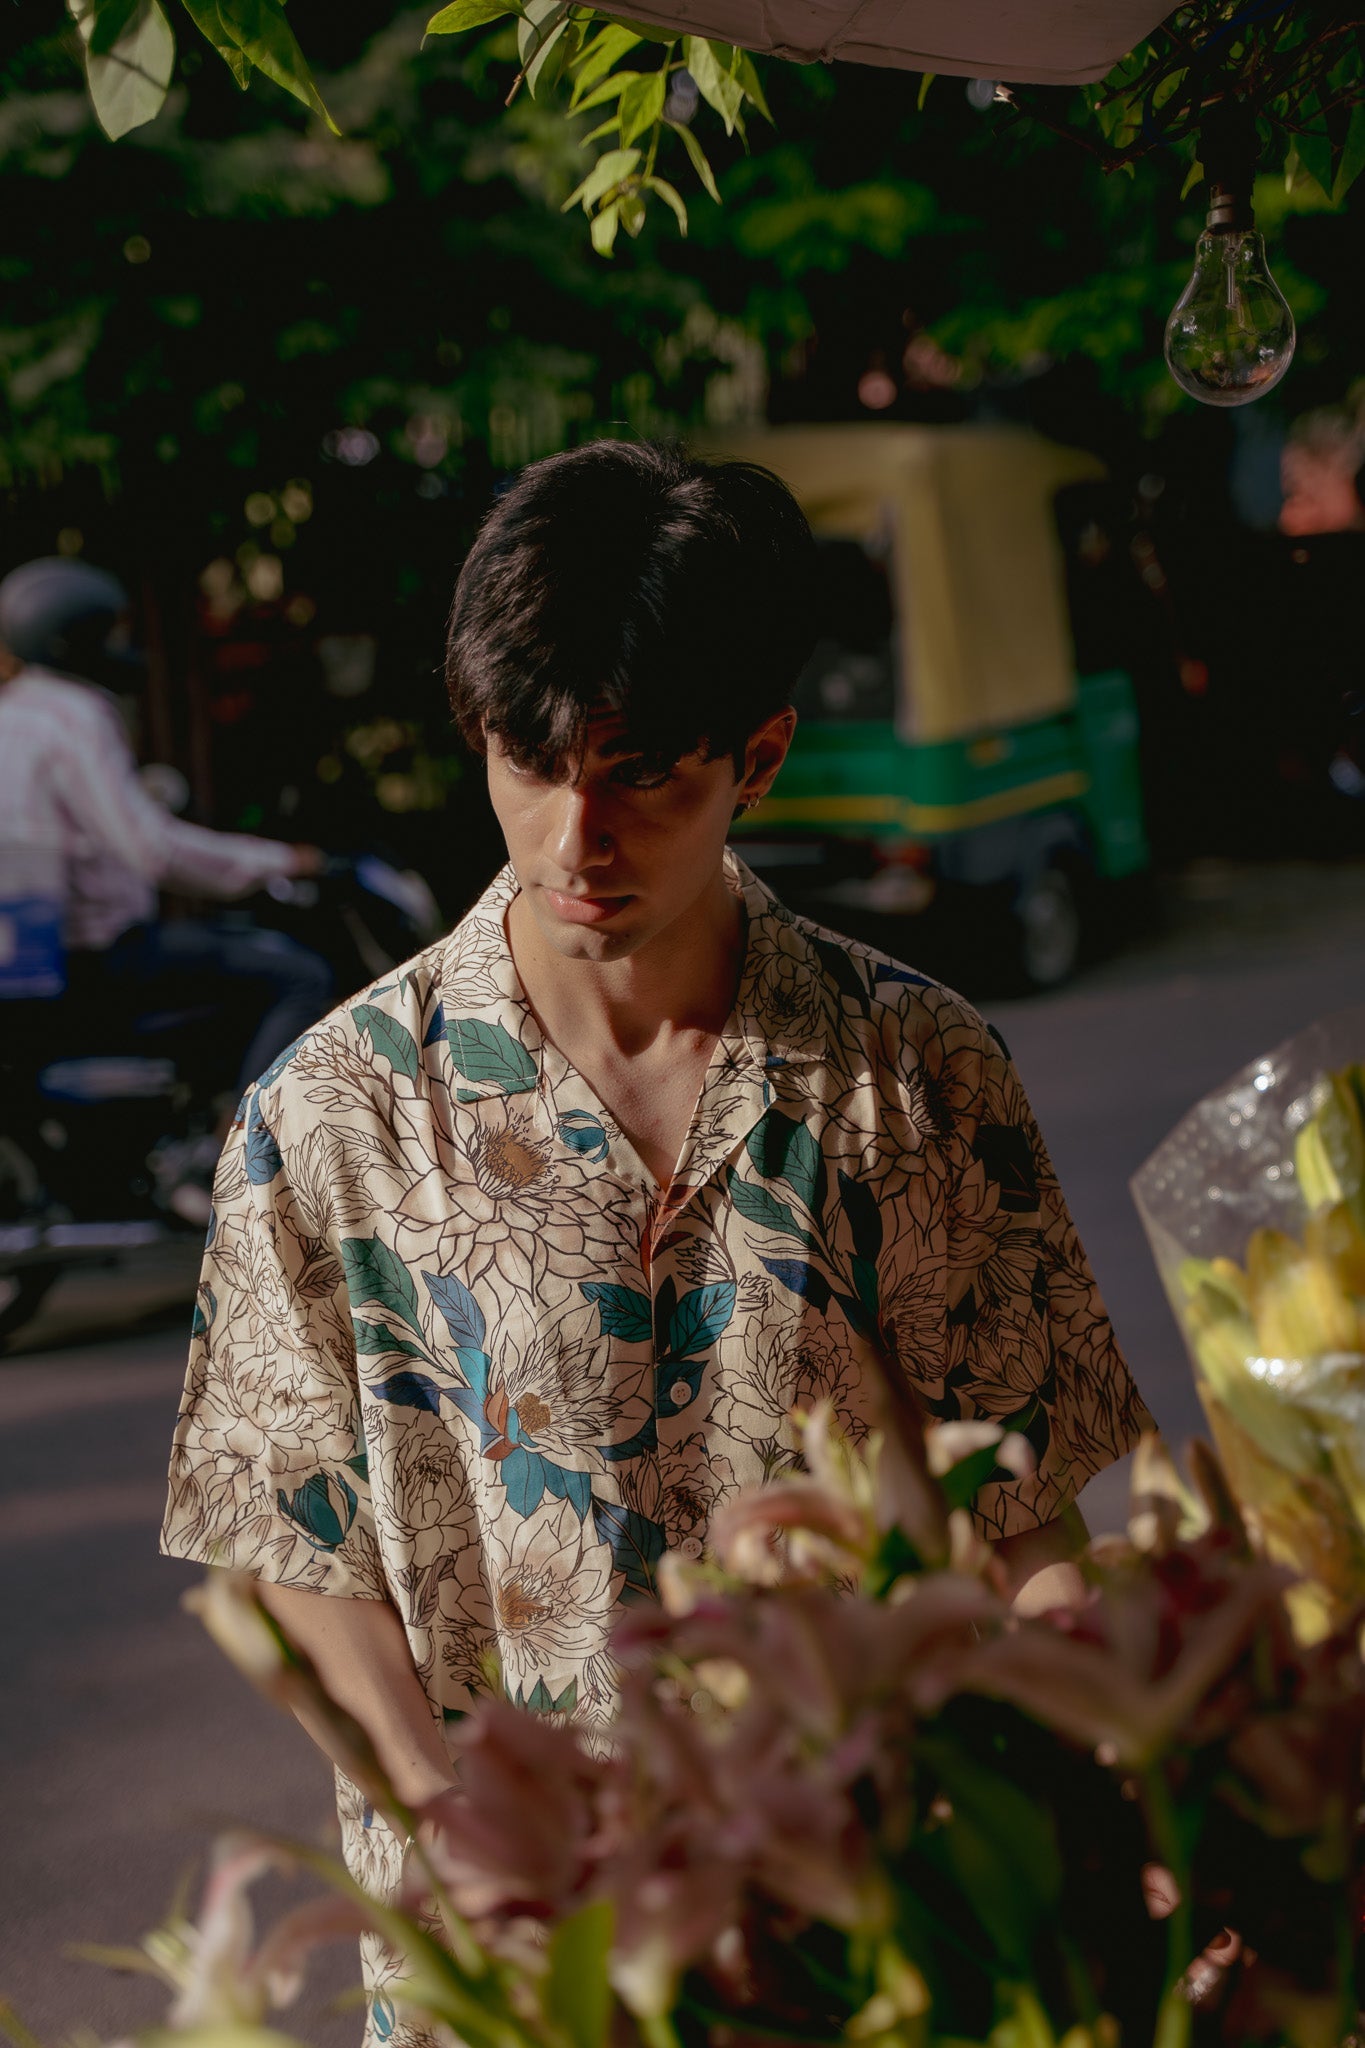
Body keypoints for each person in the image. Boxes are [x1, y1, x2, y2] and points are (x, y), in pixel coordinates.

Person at [162, 442, 1153, 2042]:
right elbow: (285, 1551)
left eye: (641, 774)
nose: (575, 836)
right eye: (529, 766)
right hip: (513, 1973)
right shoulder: (330, 1112)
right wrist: (450, 1825)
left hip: (872, 1937)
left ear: (757, 757)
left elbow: (1031, 1521)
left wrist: (1113, 1806)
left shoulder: (914, 1070)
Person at [0, 557, 333, 1210]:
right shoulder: (75, 715)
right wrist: (279, 861)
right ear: (74, 638)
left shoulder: (12, 716)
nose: (123, 649)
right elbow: (148, 848)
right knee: (296, 976)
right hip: (96, 956)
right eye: (110, 633)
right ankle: (228, 1161)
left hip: (31, 959)